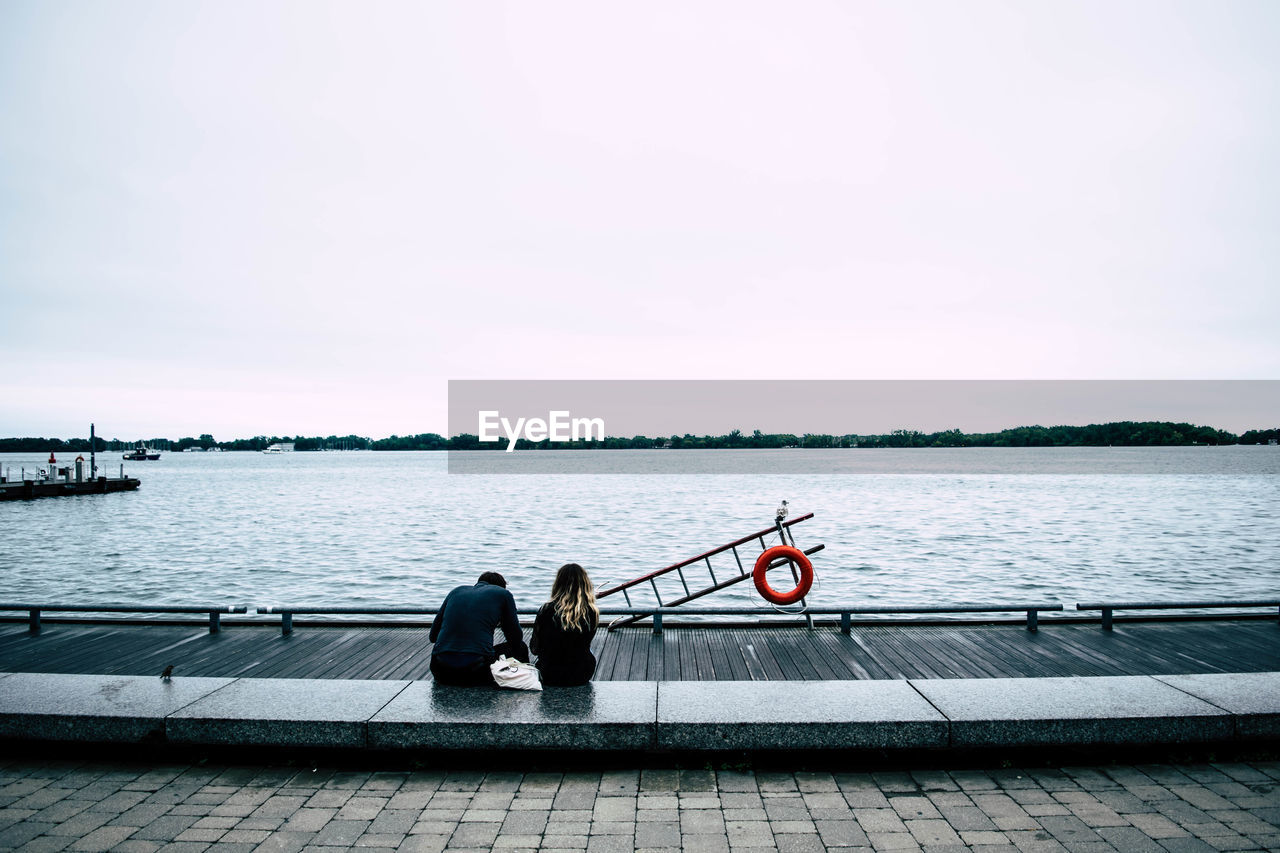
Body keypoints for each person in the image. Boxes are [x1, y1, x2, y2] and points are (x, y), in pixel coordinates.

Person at [429, 571, 529, 686]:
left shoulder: (456, 591)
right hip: (476, 670)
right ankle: (524, 686)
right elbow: (515, 639)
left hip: (440, 669)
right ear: (501, 586)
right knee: (521, 647)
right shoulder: (503, 594)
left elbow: (433, 637)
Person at [530, 563, 599, 686]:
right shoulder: (592, 612)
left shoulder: (546, 609)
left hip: (550, 673)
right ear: (585, 583)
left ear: (558, 583)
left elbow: (534, 649)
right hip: (581, 673)